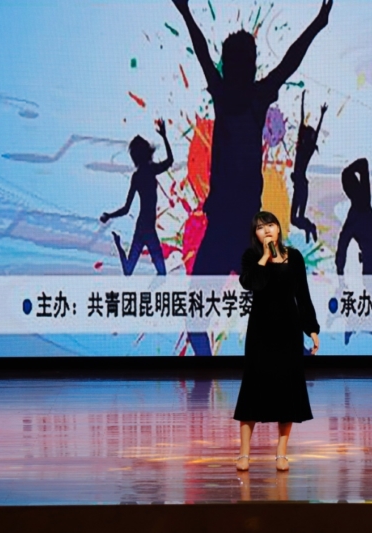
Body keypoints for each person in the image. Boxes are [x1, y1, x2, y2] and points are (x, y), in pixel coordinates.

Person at [173, 0, 333, 355]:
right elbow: (203, 53)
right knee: (197, 318)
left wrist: (317, 24)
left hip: (242, 228)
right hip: (224, 227)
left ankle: (294, 358)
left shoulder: (251, 98)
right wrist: (185, 13)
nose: (242, 67)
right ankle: (207, 367)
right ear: (230, 65)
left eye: (246, 61)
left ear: (248, 66)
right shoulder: (230, 95)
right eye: (238, 61)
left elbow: (289, 62)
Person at [234, 211, 320, 472]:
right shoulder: (251, 257)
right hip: (260, 331)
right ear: (256, 235)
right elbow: (252, 283)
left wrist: (311, 329)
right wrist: (265, 258)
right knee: (253, 389)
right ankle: (244, 453)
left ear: (279, 229)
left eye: (270, 225)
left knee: (287, 391)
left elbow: (302, 295)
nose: (267, 230)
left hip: (288, 331)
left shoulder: (294, 257)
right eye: (261, 228)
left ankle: (281, 453)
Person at [100, 119, 173, 275]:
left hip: (143, 227)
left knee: (130, 270)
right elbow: (169, 161)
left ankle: (118, 243)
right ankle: (118, 244)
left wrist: (109, 215)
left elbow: (126, 209)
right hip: (147, 227)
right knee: (161, 272)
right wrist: (164, 137)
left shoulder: (138, 176)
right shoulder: (150, 170)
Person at [335, 158, 372, 276]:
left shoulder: (361, 206)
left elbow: (343, 242)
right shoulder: (362, 204)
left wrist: (340, 269)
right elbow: (363, 164)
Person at [291, 90, 327, 243]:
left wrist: (322, 115)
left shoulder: (306, 150)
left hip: (301, 186)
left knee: (296, 218)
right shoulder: (302, 148)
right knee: (295, 219)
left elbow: (315, 133)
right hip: (300, 186)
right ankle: (309, 227)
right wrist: (302, 101)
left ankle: (309, 227)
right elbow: (302, 121)